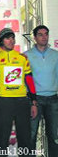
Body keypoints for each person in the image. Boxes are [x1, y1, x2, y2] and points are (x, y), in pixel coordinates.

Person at [0, 28, 38, 156]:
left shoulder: (22, 58)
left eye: (12, 38)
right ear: (1, 41)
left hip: (22, 101)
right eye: (7, 38)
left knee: (25, 138)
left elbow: (29, 80)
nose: (11, 40)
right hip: (4, 102)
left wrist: (34, 102)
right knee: (2, 138)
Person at [24, 25, 58, 157]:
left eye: (46, 34)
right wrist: (30, 99)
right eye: (40, 34)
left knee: (54, 135)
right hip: (35, 100)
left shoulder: (55, 55)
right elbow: (24, 80)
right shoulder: (26, 56)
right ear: (34, 38)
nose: (44, 37)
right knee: (31, 135)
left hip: (53, 99)